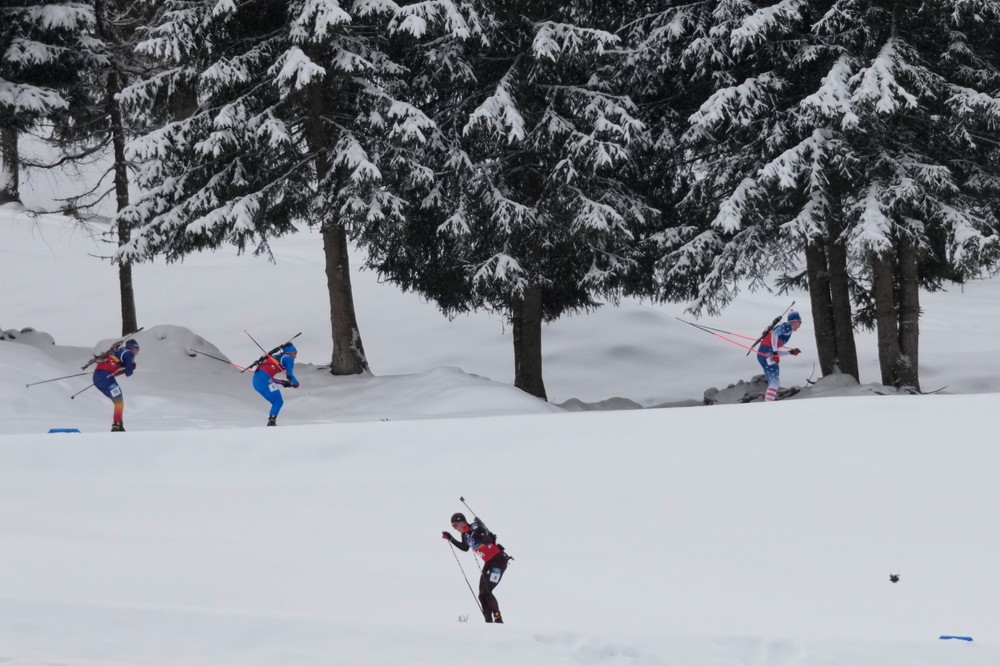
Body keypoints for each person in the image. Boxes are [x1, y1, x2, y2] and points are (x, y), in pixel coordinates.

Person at [442, 511, 509, 623]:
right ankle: (488, 620)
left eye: (454, 525)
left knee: (487, 590)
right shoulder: (464, 535)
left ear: (461, 522)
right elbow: (464, 547)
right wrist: (451, 538)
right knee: (481, 594)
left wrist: (479, 533)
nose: (454, 528)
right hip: (489, 562)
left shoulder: (474, 527)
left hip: (498, 561)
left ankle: (498, 618)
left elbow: (484, 534)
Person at [92, 338, 140, 432]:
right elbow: (128, 373)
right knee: (119, 402)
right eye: (137, 350)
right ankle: (117, 426)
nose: (137, 353)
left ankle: (118, 425)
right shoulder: (128, 353)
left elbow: (113, 371)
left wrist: (123, 369)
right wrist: (131, 366)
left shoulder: (118, 351)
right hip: (106, 378)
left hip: (97, 378)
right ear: (133, 348)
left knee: (117, 401)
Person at [756, 310, 802, 401]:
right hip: (767, 353)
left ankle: (769, 402)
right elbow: (774, 334)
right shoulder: (788, 326)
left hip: (762, 354)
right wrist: (775, 353)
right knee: (775, 383)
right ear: (795, 321)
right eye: (799, 322)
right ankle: (769, 406)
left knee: (772, 383)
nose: (799, 325)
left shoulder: (786, 328)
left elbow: (773, 349)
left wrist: (790, 352)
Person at [252, 344, 299, 426]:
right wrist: (296, 384)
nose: (295, 356)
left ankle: (272, 421)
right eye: (295, 353)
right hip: (264, 380)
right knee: (278, 402)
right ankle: (271, 422)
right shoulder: (288, 358)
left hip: (257, 381)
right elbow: (290, 375)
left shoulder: (276, 357)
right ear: (291, 352)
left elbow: (268, 377)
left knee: (277, 402)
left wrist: (282, 382)